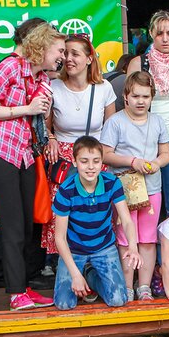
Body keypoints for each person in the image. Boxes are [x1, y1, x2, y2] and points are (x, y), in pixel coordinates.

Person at [0, 21, 65, 311]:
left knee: (29, 223)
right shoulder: (10, 68)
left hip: (24, 153)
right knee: (13, 224)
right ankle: (15, 294)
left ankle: (23, 285)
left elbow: (38, 120)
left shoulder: (42, 79)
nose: (62, 56)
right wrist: (25, 110)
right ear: (43, 46)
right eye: (59, 50)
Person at [42, 34, 117, 257]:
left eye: (75, 53)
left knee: (93, 212)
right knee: (65, 211)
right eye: (65, 53)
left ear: (89, 59)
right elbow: (45, 127)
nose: (68, 58)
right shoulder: (53, 87)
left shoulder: (104, 88)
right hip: (64, 159)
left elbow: (110, 130)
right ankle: (60, 260)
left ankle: (95, 259)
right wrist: (51, 138)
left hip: (95, 156)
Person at [101, 71, 169, 301]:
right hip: (124, 191)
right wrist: (133, 161)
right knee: (124, 238)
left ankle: (144, 287)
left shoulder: (158, 121)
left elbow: (165, 153)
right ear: (126, 96)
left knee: (148, 239)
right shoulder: (115, 122)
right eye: (136, 96)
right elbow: (105, 155)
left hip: (152, 188)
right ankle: (127, 285)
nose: (141, 101)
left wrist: (156, 163)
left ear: (152, 98)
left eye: (146, 97)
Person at [52, 136, 141, 310]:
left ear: (102, 163)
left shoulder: (112, 183)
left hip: (104, 247)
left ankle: (91, 275)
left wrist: (133, 247)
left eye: (96, 161)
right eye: (84, 161)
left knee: (118, 299)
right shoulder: (66, 190)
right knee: (64, 304)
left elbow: (127, 220)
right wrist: (75, 275)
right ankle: (81, 273)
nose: (91, 167)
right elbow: (60, 238)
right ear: (75, 162)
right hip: (74, 249)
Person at [127, 11, 169, 216]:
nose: (165, 38)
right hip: (145, 142)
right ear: (150, 34)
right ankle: (147, 247)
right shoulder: (139, 63)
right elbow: (129, 105)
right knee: (145, 204)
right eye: (159, 34)